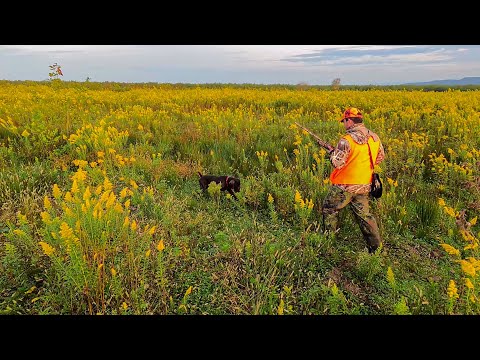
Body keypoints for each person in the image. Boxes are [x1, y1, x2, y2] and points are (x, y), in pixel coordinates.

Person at [321, 107, 385, 254]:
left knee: (329, 209)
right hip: (364, 184)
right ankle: (377, 249)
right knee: (364, 216)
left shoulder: (347, 140)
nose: (344, 124)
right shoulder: (374, 137)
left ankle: (328, 244)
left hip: (345, 186)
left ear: (350, 121)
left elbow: (337, 163)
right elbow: (379, 158)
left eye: (344, 121)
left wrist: (332, 153)